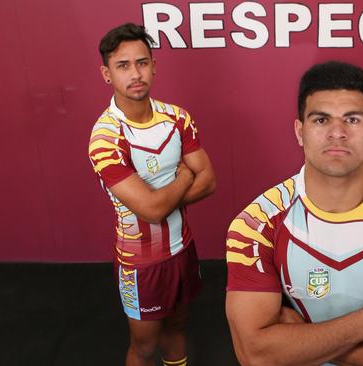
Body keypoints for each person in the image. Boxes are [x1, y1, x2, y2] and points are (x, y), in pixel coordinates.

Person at [225, 61, 363, 366]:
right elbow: (255, 354)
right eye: (321, 120)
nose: (337, 133)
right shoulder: (255, 224)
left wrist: (301, 341)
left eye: (352, 120)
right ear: (300, 131)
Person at [88, 23, 216, 366]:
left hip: (183, 248)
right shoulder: (105, 138)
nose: (135, 73)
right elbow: (151, 210)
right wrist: (184, 176)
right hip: (140, 264)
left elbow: (209, 181)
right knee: (144, 347)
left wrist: (161, 201)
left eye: (142, 63)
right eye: (123, 66)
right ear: (106, 73)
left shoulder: (177, 118)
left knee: (178, 327)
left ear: (154, 66)